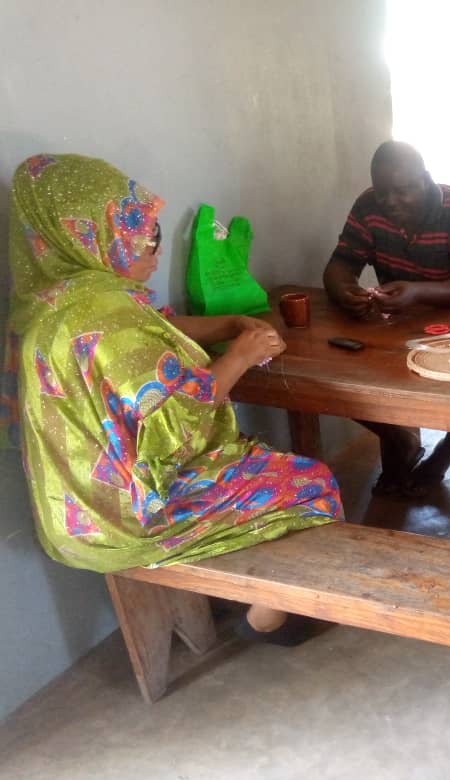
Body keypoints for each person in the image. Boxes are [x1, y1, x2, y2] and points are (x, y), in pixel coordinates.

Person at [2, 154, 342, 644]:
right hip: (131, 516)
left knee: (258, 459)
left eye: (152, 231)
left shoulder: (59, 297)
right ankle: (265, 621)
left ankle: (249, 583)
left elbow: (152, 327)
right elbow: (175, 426)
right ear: (89, 234)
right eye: (138, 234)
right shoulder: (103, 314)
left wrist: (228, 326)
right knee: (312, 482)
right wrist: (241, 355)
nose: (153, 247)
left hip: (70, 509)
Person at [323, 141, 450, 496]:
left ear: (426, 180)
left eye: (402, 191)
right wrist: (345, 291)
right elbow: (341, 263)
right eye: (382, 192)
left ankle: (445, 452)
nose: (390, 202)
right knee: (339, 380)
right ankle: (401, 440)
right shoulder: (368, 206)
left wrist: (418, 292)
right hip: (396, 319)